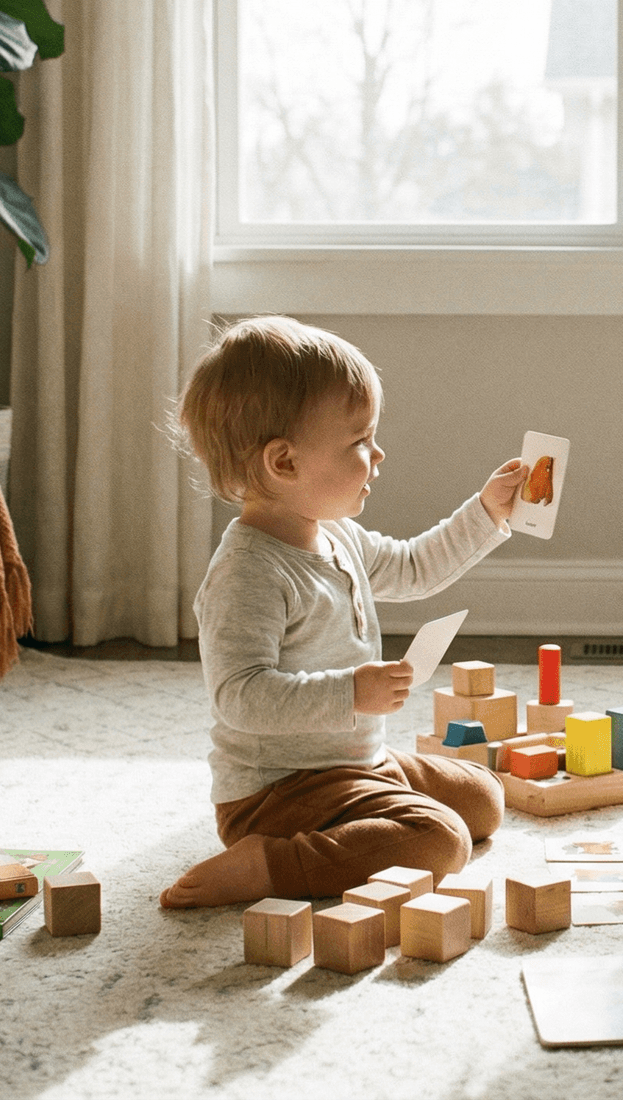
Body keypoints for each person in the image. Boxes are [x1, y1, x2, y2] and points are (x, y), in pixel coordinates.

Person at [160, 316, 527, 907]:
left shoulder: (337, 535)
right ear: (284, 463)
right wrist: (351, 693)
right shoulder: (248, 573)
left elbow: (413, 567)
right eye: (359, 441)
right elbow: (241, 696)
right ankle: (269, 864)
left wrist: (486, 511)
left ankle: (361, 814)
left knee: (484, 797)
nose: (378, 455)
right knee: (441, 841)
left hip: (355, 763)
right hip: (277, 793)